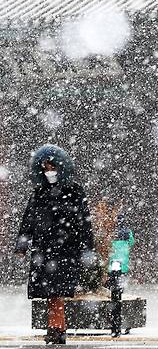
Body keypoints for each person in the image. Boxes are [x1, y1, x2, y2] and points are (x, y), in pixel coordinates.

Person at [15, 145, 95, 345]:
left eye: (52, 167)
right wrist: (22, 245)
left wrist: (87, 248)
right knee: (51, 292)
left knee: (56, 291)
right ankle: (57, 328)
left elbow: (84, 221)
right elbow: (29, 220)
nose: (49, 172)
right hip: (44, 248)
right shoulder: (39, 192)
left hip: (66, 249)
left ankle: (56, 328)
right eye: (45, 168)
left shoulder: (74, 191)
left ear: (61, 167)